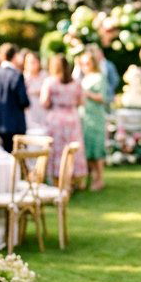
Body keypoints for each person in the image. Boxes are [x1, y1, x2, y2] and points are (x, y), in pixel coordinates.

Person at [41, 54, 87, 186]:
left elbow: (44, 102)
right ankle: (73, 180)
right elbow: (81, 101)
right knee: (72, 148)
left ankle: (58, 180)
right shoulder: (76, 82)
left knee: (58, 149)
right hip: (72, 117)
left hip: (56, 118)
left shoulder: (50, 81)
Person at [0, 43, 29, 152]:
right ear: (15, 56)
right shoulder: (17, 75)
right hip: (15, 126)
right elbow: (24, 101)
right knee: (16, 161)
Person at [79, 46, 107, 192]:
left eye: (87, 63)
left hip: (96, 117)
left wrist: (87, 94)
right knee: (88, 149)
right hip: (85, 117)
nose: (84, 67)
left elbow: (102, 97)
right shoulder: (84, 78)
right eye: (82, 64)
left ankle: (100, 179)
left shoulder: (99, 77)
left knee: (97, 149)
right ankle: (91, 178)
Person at [22, 51, 48, 135]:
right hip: (29, 110)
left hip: (43, 109)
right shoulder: (23, 77)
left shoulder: (44, 76)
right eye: (29, 62)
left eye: (34, 62)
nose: (31, 65)